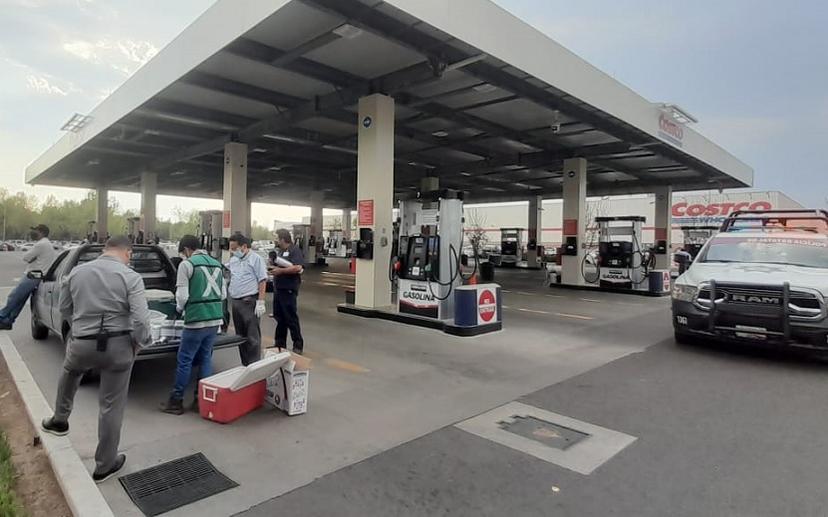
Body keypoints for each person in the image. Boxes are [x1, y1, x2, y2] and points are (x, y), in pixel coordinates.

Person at [41, 236, 151, 483]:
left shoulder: (77, 273)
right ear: (128, 253)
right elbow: (141, 320)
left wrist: (81, 327)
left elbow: (65, 308)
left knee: (69, 372)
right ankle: (105, 465)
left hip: (82, 342)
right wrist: (140, 343)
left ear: (104, 250)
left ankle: (59, 419)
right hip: (119, 345)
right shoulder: (131, 277)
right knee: (111, 405)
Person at [160, 235, 226, 415]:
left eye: (183, 252)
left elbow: (182, 296)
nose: (183, 256)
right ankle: (201, 400)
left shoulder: (187, 265)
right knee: (205, 359)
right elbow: (223, 295)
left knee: (185, 360)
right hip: (214, 319)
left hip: (196, 320)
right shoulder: (217, 264)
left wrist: (180, 310)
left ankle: (176, 401)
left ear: (187, 249)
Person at [0, 224, 57, 330]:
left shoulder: (41, 244)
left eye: (37, 231)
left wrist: (32, 258)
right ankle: (8, 321)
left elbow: (25, 257)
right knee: (21, 299)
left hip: (33, 275)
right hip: (39, 275)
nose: (34, 233)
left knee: (14, 296)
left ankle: (2, 316)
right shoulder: (47, 244)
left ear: (42, 233)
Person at [226, 233, 268, 366]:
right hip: (236, 302)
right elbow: (231, 276)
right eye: (231, 248)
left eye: (234, 248)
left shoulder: (256, 259)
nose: (233, 251)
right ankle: (245, 365)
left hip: (249, 301)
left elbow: (262, 280)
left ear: (244, 246)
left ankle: (254, 366)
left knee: (252, 338)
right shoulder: (233, 260)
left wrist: (261, 301)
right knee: (241, 337)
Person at [270, 229, 305, 354]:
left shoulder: (294, 250)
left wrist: (281, 271)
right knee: (280, 317)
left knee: (290, 317)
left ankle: (298, 344)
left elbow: (298, 267)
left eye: (277, 238)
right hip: (278, 289)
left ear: (283, 239)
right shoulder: (280, 251)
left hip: (288, 289)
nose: (276, 240)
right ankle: (279, 344)